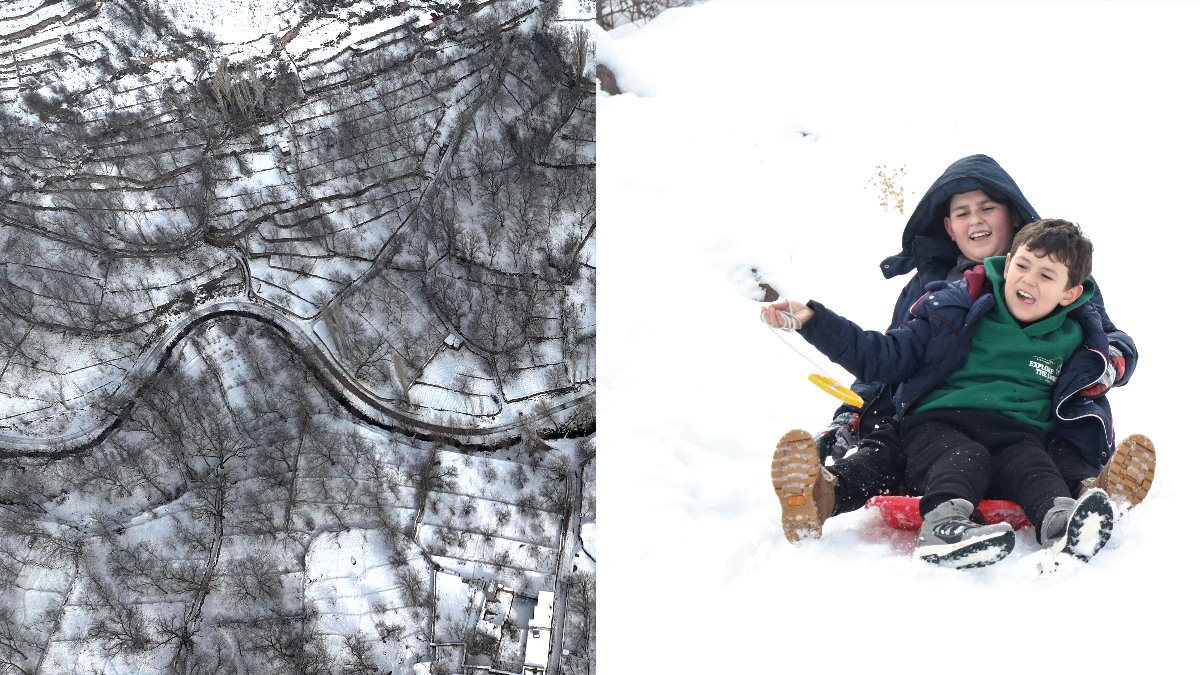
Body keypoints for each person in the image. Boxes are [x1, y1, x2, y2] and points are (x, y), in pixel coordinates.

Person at [765, 154, 1153, 541]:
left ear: (1014, 217)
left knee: (1044, 456)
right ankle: (824, 494)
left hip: (1021, 427)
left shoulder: (1066, 285)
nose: (976, 220)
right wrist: (851, 411)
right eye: (963, 213)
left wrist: (1106, 366)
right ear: (949, 227)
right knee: (890, 445)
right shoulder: (939, 296)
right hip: (937, 420)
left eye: (988, 208)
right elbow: (886, 358)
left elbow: (1109, 342)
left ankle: (1085, 501)